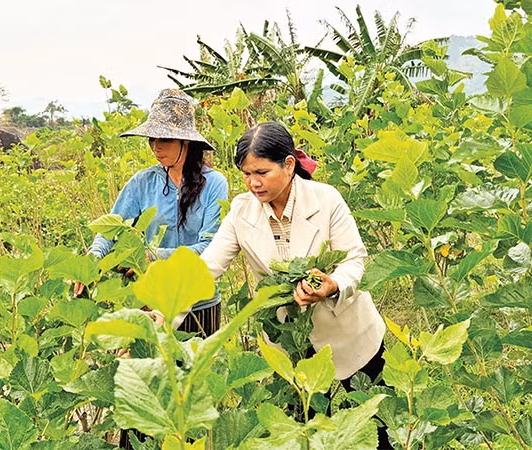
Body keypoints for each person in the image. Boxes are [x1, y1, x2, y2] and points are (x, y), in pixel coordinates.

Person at [199, 121, 389, 446]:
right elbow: (207, 268)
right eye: (246, 174)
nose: (253, 183)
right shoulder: (241, 212)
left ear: (289, 165)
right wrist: (165, 305)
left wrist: (331, 285)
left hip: (350, 336)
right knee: (307, 433)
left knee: (375, 431)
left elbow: (354, 259)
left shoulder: (325, 199)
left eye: (261, 172)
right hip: (292, 345)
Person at [76, 88, 228, 336]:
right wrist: (91, 261)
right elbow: (110, 230)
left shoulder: (215, 184)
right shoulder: (142, 182)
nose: (156, 147)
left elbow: (209, 248)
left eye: (164, 139)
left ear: (186, 142)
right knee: (154, 372)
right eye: (152, 139)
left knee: (201, 372)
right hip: (153, 303)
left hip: (199, 303)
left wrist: (153, 255)